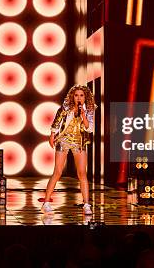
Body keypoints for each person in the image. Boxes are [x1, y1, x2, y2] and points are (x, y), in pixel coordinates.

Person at [41, 85, 96, 215]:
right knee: (58, 171)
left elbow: (90, 128)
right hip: (64, 140)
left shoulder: (89, 110)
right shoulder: (66, 107)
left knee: (82, 173)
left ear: (85, 97)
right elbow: (57, 120)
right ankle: (46, 203)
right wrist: (52, 135)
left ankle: (86, 204)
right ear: (72, 96)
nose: (79, 98)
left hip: (79, 142)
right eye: (76, 95)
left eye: (81, 95)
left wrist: (83, 115)